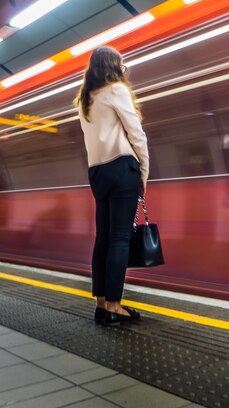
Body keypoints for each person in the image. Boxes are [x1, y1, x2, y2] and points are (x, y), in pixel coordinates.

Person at [75, 46, 149, 326]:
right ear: (112, 66)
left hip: (98, 173)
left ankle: (101, 304)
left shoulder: (85, 100)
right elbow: (136, 134)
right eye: (121, 63)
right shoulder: (116, 90)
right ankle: (115, 306)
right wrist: (144, 170)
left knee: (103, 238)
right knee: (120, 238)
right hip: (122, 169)